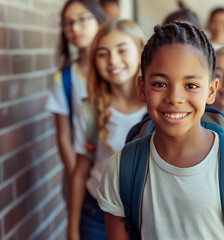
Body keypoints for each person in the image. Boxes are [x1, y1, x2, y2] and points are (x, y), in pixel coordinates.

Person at [97, 22, 224, 239]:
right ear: (142, 88)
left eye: (190, 85)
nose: (174, 97)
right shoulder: (121, 168)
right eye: (160, 84)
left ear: (211, 91)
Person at [67, 19, 147, 240]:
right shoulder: (89, 110)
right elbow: (81, 171)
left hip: (146, 214)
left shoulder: (157, 107)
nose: (113, 61)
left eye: (122, 50)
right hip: (97, 214)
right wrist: (72, 229)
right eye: (103, 53)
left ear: (141, 52)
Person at [46, 0, 107, 203]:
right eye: (68, 23)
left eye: (82, 19)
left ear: (99, 20)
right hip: (81, 174)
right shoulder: (63, 79)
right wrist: (78, 182)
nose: (74, 27)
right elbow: (64, 138)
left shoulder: (116, 69)